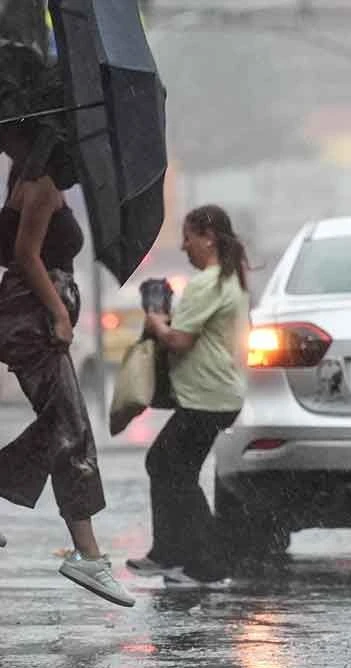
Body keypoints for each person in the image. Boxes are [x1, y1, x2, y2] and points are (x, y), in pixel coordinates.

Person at [0, 119, 134, 607]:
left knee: (63, 426)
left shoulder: (28, 178)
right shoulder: (39, 186)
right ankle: (87, 554)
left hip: (27, 319)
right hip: (32, 322)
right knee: (69, 428)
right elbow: (26, 256)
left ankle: (87, 553)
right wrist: (59, 313)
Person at [127, 205, 250, 589]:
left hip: (207, 398)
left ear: (208, 238)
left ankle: (206, 564)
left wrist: (155, 321)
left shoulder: (208, 283)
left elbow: (180, 340)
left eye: (188, 237)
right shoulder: (228, 279)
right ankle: (173, 555)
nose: (183, 246)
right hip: (214, 396)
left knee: (172, 470)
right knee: (169, 467)